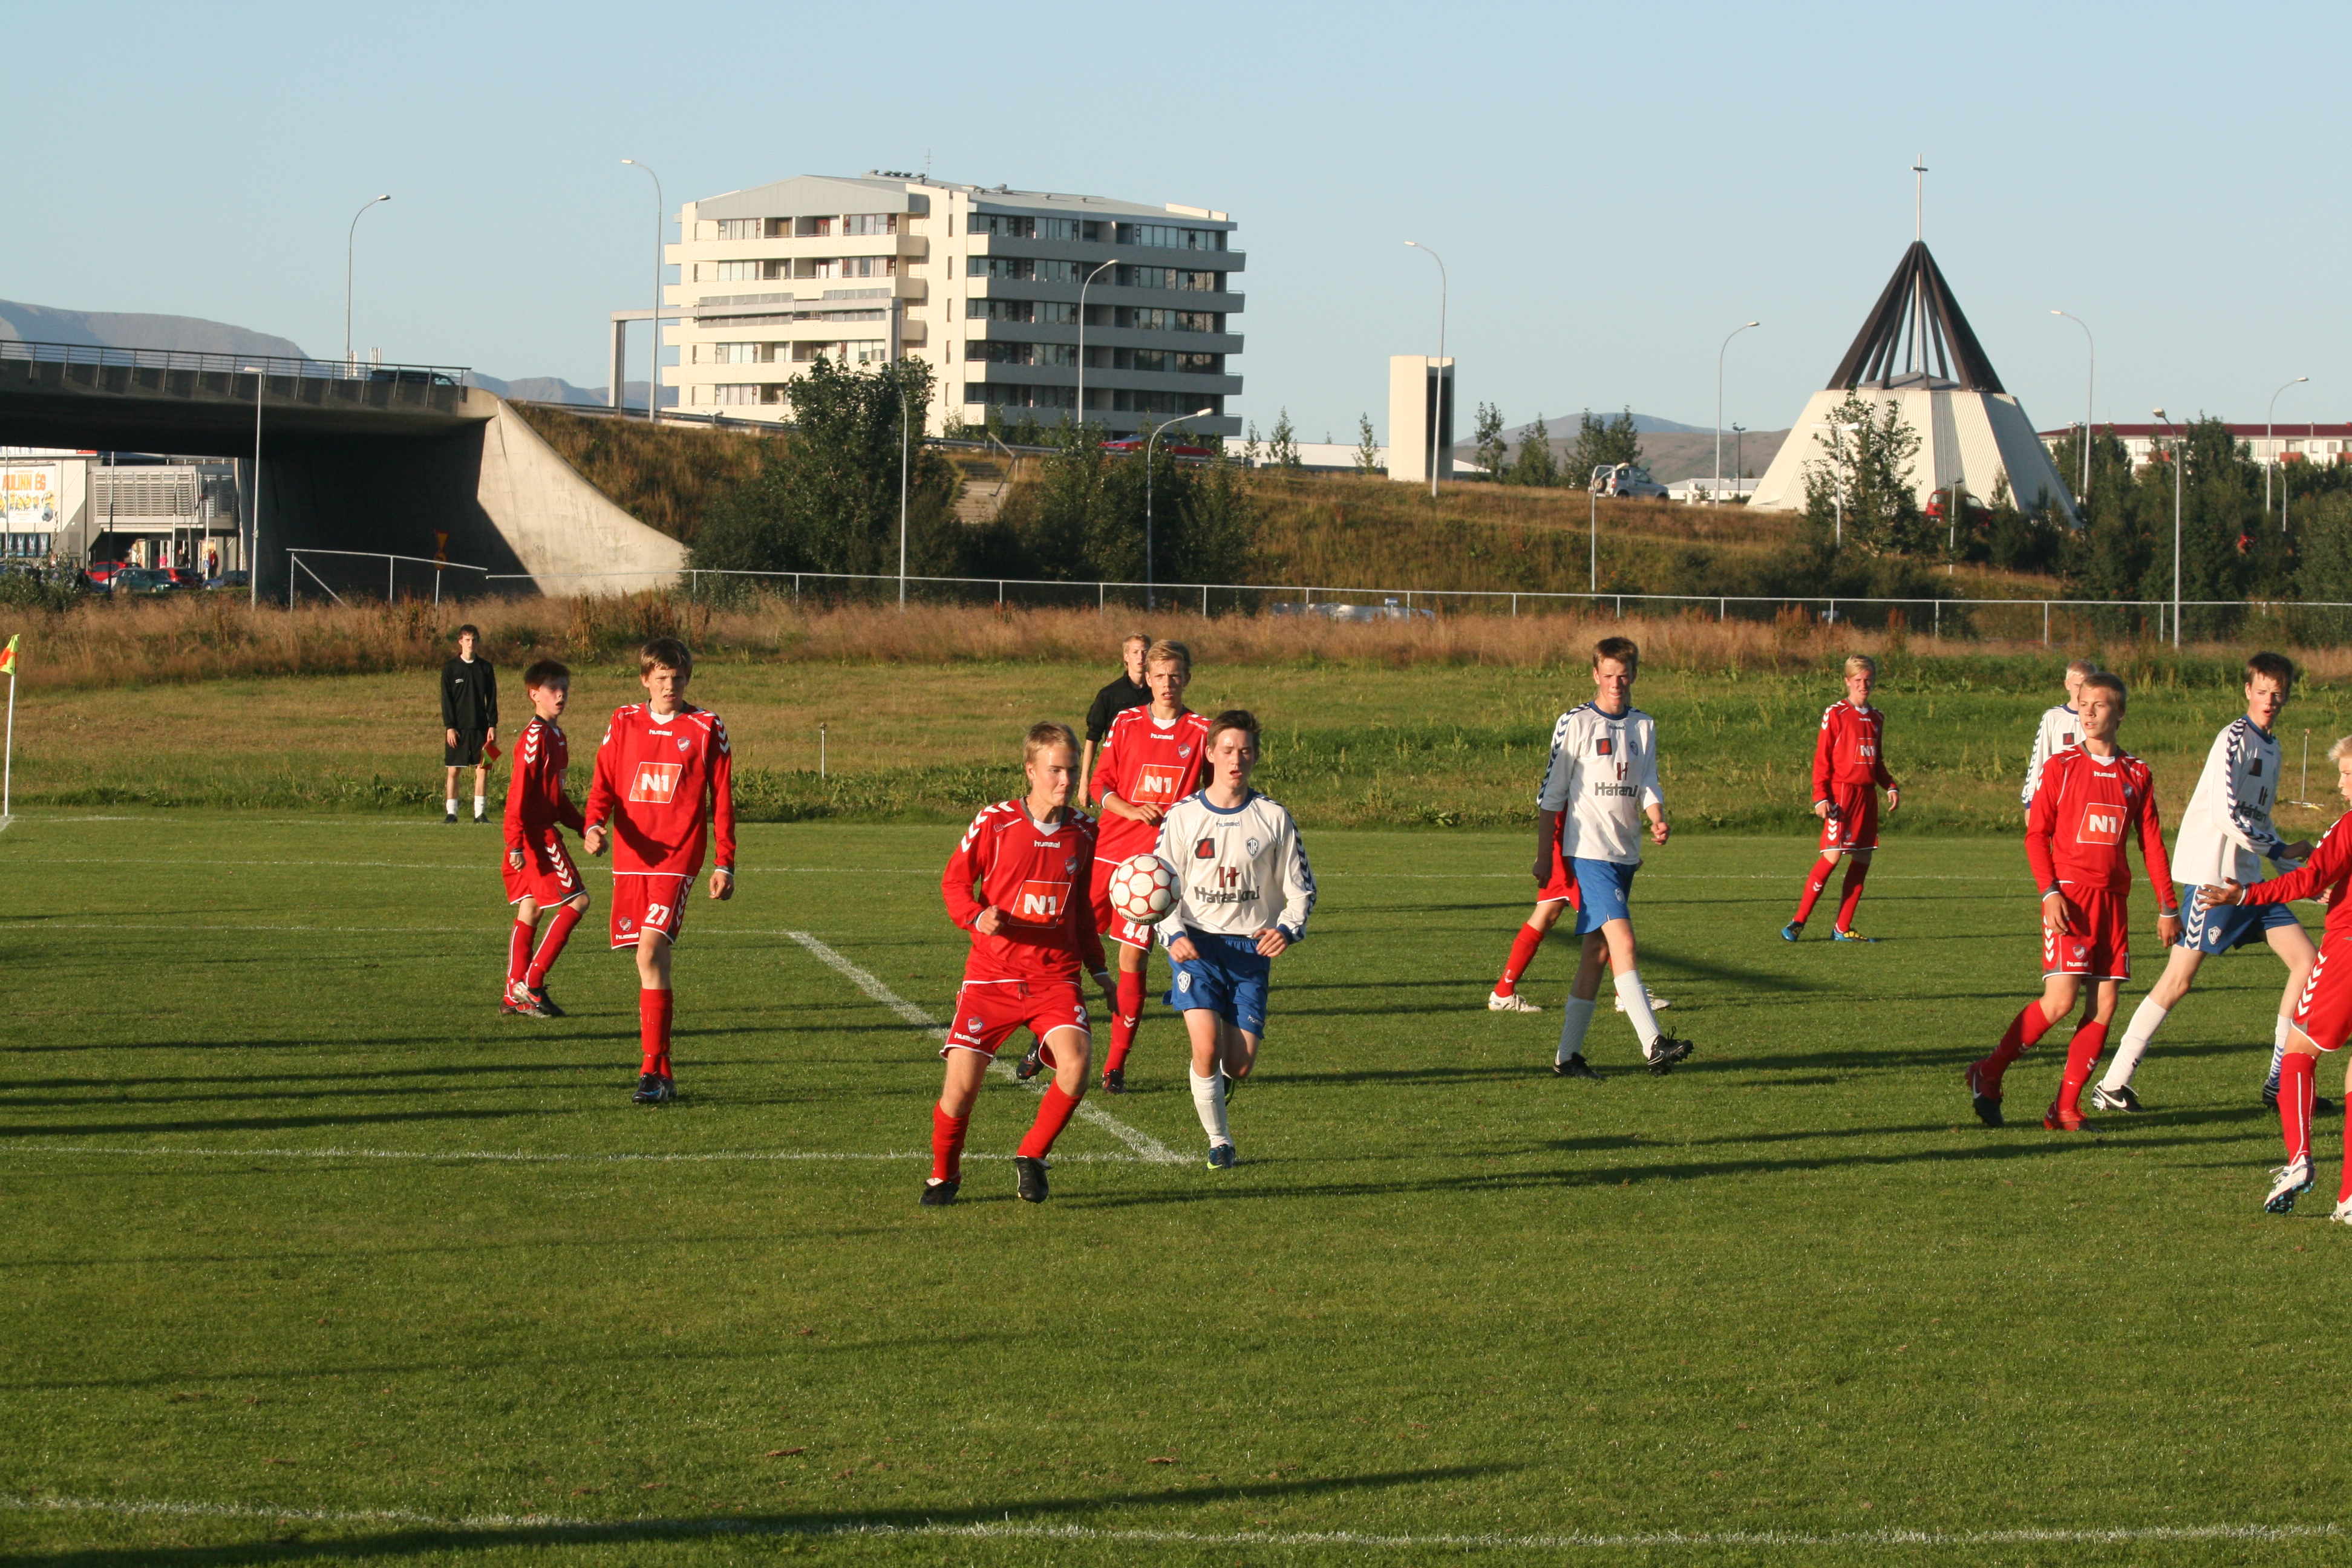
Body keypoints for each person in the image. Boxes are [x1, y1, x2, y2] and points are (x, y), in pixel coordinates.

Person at [2090, 652, 2318, 1115]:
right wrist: (2279, 851)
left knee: (2307, 964)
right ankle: (2113, 1083)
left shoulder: (2273, 747)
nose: (2269, 700)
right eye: (2262, 691)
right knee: (2178, 980)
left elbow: (2259, 820)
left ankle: (2279, 1083)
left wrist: (2298, 875)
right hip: (2214, 879)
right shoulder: (2234, 738)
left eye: (2278, 693)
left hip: (2250, 883)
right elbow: (2225, 813)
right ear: (2248, 691)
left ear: (2287, 696)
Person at [1964, 674, 2180, 1129]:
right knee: (2060, 1001)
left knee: (2104, 1005)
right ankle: (1989, 1073)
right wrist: (2049, 892)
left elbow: (2152, 844)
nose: (2088, 711)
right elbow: (2036, 835)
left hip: (2113, 903)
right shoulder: (2061, 766)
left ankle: (2063, 1108)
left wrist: (2168, 907)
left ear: (2120, 713)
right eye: (2084, 704)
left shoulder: (2137, 773)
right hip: (2070, 899)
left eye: (2099, 705)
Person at [927, 722, 1119, 1206]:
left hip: (1055, 978)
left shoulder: (1084, 832)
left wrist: (1098, 970)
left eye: (1071, 770)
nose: (1066, 780)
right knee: (960, 1093)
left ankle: (1032, 1156)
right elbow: (954, 883)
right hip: (991, 977)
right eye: (1055, 770)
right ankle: (944, 1176)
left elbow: (1080, 910)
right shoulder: (995, 822)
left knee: (1076, 1063)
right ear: (1031, 770)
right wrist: (976, 916)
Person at [2197, 736, 2352, 1217]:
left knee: (2298, 1054)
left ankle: (2299, 1159)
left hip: (2348, 953)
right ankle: (2350, 1198)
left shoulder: (2350, 825)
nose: (2342, 785)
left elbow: (2309, 879)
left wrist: (2247, 895)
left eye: (2348, 774)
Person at [1155, 710, 1317, 1168]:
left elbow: (1302, 890)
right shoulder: (1183, 816)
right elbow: (1157, 886)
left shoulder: (1274, 818)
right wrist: (1173, 934)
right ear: (1209, 753)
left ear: (1256, 757)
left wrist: (1286, 929)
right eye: (1227, 750)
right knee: (1206, 1047)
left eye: (1245, 751)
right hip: (1197, 947)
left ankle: (1217, 1081)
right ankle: (1220, 1141)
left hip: (1250, 950)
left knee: (1240, 1065)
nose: (1236, 759)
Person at [582, 636, 735, 1106]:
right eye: (663, 678)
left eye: (679, 678)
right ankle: (663, 1073)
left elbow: (723, 799)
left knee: (650, 953)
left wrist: (725, 862)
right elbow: (604, 781)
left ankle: (650, 1070)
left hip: (676, 860)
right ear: (645, 679)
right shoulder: (623, 721)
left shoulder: (706, 727)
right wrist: (593, 824)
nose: (671, 686)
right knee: (649, 961)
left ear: (688, 679)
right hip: (631, 861)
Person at [1542, 636, 1693, 1079]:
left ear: (1634, 676)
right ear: (1595, 675)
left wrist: (1657, 817)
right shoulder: (1577, 722)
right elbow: (1551, 795)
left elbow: (1648, 782)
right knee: (1624, 943)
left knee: (1596, 953)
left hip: (1625, 853)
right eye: (1608, 675)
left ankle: (1567, 1057)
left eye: (1623, 676)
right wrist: (1545, 856)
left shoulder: (1643, 725)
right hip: (1588, 852)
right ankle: (1654, 1044)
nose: (1616, 683)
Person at [1070, 638, 1209, 1094]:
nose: (1168, 684)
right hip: (1109, 852)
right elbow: (1100, 785)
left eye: (1176, 676)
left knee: (1132, 960)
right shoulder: (1127, 722)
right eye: (1160, 676)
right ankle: (1047, 1034)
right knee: (1071, 944)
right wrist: (1130, 810)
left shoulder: (1202, 731)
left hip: (1155, 870)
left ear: (1187, 679)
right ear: (1147, 679)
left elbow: (1212, 799)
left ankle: (1115, 1066)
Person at [1782, 654, 1900, 942]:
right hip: (1842, 796)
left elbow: (1877, 761)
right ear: (1847, 681)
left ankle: (1842, 927)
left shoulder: (1877, 717)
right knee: (1832, 857)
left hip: (1867, 797)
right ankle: (1798, 922)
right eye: (1858, 680)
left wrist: (1890, 785)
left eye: (1868, 679)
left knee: (1863, 858)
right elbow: (1822, 758)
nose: (1864, 685)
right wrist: (1820, 796)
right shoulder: (1835, 713)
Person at [499, 659, 590, 1019]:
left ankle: (513, 993)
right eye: (553, 688)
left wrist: (584, 826)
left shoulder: (557, 736)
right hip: (534, 835)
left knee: (531, 907)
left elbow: (556, 797)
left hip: (534, 832)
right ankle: (532, 984)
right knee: (578, 901)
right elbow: (518, 792)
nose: (561, 694)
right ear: (534, 695)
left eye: (565, 687)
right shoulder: (535, 737)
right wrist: (515, 842)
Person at [1079, 632, 1152, 805]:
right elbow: (1093, 737)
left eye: (1145, 652)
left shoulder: (1158, 694)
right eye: (1135, 652)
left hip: (1150, 770)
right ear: (1126, 657)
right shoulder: (1109, 695)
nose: (1141, 657)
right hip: (1118, 769)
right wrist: (1084, 781)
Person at [2020, 659, 2099, 811]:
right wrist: (2030, 802)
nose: (2082, 691)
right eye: (2077, 686)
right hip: (2060, 796)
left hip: (2092, 795)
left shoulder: (2100, 716)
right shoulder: (2054, 717)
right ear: (2067, 685)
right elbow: (2040, 757)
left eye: (2087, 686)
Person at [441, 624, 499, 825]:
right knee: (453, 770)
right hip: (457, 728)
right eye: (467, 640)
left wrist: (492, 725)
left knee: (482, 769)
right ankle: (452, 813)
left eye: (474, 640)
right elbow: (446, 699)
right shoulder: (450, 668)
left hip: (481, 728)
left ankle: (479, 814)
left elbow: (492, 698)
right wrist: (450, 726)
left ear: (478, 642)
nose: (470, 643)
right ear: (460, 642)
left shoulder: (485, 668)